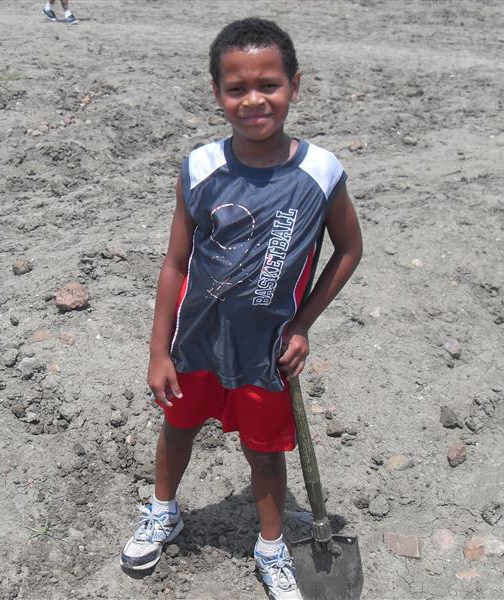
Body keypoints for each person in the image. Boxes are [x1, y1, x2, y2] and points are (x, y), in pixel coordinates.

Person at [120, 17, 363, 600]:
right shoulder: (201, 168)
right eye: (237, 88)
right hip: (196, 342)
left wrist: (301, 324)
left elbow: (349, 249)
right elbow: (175, 263)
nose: (254, 100)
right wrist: (158, 351)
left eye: (269, 85)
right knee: (178, 428)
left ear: (294, 85)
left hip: (266, 352)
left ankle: (272, 545)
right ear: (217, 93)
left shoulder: (320, 173)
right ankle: (163, 511)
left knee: (265, 450)